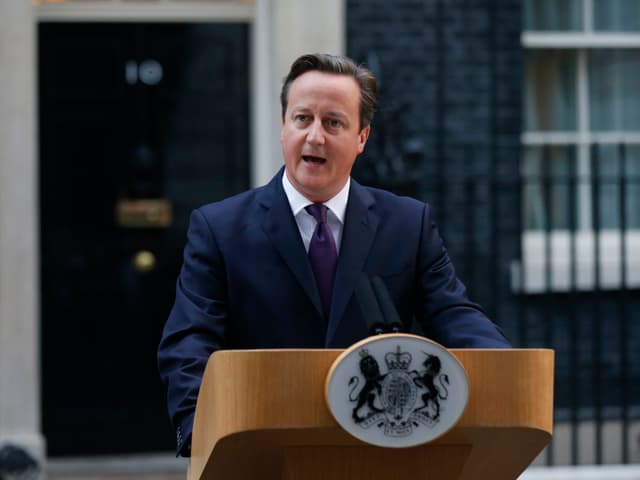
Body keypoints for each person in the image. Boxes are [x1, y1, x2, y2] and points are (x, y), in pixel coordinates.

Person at [157, 53, 511, 457]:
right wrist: (200, 428)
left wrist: (506, 370)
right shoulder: (219, 228)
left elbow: (454, 313)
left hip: (377, 452)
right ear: (283, 127)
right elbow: (189, 339)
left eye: (333, 122)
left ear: (362, 137)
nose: (314, 137)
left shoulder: (407, 224)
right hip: (262, 451)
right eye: (302, 118)